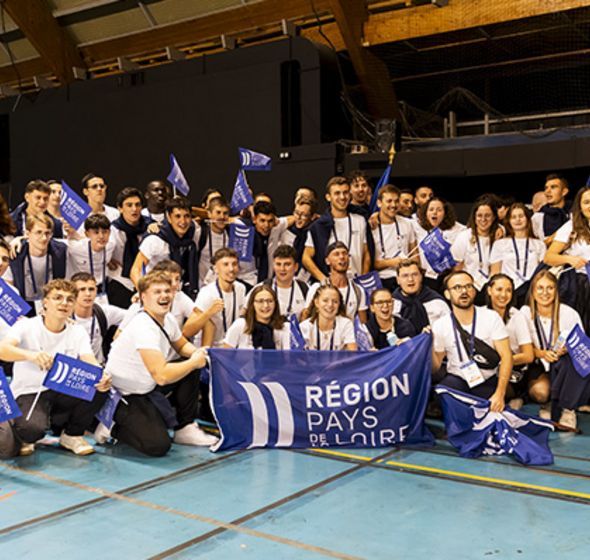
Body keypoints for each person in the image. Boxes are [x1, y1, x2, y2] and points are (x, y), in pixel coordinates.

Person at [104, 271, 217, 456]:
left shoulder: (167, 319)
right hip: (125, 395)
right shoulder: (144, 327)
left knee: (190, 365)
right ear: (143, 297)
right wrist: (194, 362)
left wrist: (198, 353)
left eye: (167, 291)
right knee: (157, 446)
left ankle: (185, 427)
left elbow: (181, 346)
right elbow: (162, 376)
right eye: (157, 292)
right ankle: (110, 426)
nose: (164, 296)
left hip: (148, 386)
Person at [0, 279, 110, 457]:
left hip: (61, 390)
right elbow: (3, 350)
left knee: (100, 386)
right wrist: (31, 355)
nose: (64, 303)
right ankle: (29, 432)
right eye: (57, 298)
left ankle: (72, 435)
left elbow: (88, 358)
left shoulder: (77, 331)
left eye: (69, 299)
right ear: (45, 302)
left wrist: (101, 375)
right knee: (31, 431)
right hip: (30, 391)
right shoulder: (26, 326)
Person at [431, 271, 512, 410]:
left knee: (488, 409)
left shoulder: (491, 317)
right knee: (442, 394)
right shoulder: (440, 325)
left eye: (468, 286)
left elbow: (507, 356)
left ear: (474, 291)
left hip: (486, 380)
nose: (464, 291)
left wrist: (500, 394)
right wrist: (429, 346)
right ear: (447, 294)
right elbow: (435, 367)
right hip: (457, 379)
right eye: (457, 287)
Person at [519, 270, 590, 430]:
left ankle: (567, 409)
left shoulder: (569, 313)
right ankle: (550, 403)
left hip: (563, 363)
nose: (545, 293)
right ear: (533, 291)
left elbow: (582, 347)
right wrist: (542, 353)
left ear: (556, 290)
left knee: (569, 361)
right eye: (540, 288)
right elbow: (522, 347)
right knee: (540, 392)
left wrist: (567, 349)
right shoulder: (525, 313)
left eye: (550, 288)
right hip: (538, 363)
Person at [303, 176, 370, 282]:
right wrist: (323, 279)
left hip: (356, 283)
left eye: (345, 192)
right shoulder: (318, 226)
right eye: (337, 193)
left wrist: (364, 280)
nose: (342, 197)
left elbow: (366, 253)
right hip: (331, 285)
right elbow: (306, 257)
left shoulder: (360, 220)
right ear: (328, 197)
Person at [131, 196, 200, 298]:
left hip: (180, 292)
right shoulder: (155, 239)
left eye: (187, 216)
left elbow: (213, 216)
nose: (183, 221)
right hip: (155, 293)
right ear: (169, 217)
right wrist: (144, 294)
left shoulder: (193, 233)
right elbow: (135, 270)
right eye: (177, 216)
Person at [544, 185, 590, 332]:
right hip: (581, 288)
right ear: (580, 207)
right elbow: (548, 257)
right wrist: (570, 259)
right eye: (586, 202)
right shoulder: (571, 227)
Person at [485, 274, 535, 409]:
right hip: (486, 367)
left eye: (508, 290)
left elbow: (528, 355)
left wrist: (504, 362)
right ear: (489, 290)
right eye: (499, 289)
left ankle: (516, 396)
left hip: (513, 370)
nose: (504, 295)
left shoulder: (517, 316)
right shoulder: (481, 313)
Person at [5, 214, 67, 315]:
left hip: (52, 304)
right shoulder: (15, 253)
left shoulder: (60, 251)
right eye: (38, 232)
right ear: (27, 234)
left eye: (47, 233)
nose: (44, 238)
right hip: (23, 305)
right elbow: (8, 286)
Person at [489, 202, 546, 306]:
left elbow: (542, 273)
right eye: (513, 217)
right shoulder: (500, 244)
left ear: (527, 219)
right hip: (507, 292)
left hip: (532, 291)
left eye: (521, 216)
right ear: (509, 221)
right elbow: (495, 273)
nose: (518, 220)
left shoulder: (539, 244)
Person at [188, 248, 247, 347]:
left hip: (230, 347)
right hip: (208, 349)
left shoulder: (241, 288)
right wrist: (209, 312)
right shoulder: (207, 293)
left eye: (234, 264)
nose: (231, 269)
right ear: (215, 269)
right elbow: (188, 331)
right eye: (225, 264)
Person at [451, 196, 502, 297]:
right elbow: (457, 269)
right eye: (479, 215)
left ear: (494, 217)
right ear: (474, 217)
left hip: (492, 289)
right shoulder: (464, 237)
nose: (483, 219)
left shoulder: (499, 237)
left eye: (487, 215)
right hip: (468, 287)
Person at [304, 242, 368, 322]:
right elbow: (306, 317)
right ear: (327, 261)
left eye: (345, 253)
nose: (342, 257)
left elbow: (362, 324)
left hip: (347, 329)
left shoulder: (358, 290)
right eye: (336, 254)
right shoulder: (317, 288)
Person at [109, 187, 152, 308]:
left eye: (138, 205)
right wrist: (106, 258)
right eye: (129, 205)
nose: (134, 209)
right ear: (120, 208)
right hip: (120, 281)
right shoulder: (112, 230)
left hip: (147, 281)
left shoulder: (150, 226)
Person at [71, 272, 126, 365]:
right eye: (82, 289)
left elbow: (135, 315)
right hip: (71, 366)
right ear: (72, 293)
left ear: (96, 291)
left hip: (98, 366)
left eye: (91, 289)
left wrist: (121, 329)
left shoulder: (104, 311)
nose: (88, 294)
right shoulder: (63, 315)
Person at [414, 196, 465, 292]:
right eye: (431, 209)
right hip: (424, 277)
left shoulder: (458, 230)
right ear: (426, 213)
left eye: (439, 210)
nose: (434, 212)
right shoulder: (417, 227)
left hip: (445, 277)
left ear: (445, 213)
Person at [372, 184, 417, 291]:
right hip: (380, 280)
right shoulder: (371, 226)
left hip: (405, 278)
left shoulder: (407, 223)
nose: (393, 205)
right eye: (389, 201)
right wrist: (392, 262)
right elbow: (368, 262)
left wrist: (410, 263)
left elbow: (415, 254)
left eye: (396, 201)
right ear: (379, 203)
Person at [236, 200, 289, 288]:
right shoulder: (243, 228)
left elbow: (293, 218)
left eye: (270, 221)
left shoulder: (276, 228)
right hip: (244, 283)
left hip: (267, 284)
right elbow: (222, 220)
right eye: (262, 220)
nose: (266, 225)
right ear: (254, 219)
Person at [248, 245, 309, 319]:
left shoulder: (305, 289)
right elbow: (245, 313)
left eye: (287, 264)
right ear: (273, 266)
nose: (282, 269)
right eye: (278, 264)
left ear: (296, 267)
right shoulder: (260, 288)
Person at [66, 214, 115, 305]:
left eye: (105, 232)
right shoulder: (75, 248)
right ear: (87, 234)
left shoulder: (111, 245)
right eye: (96, 232)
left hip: (102, 288)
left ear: (109, 232)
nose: (101, 236)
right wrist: (71, 233)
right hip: (79, 290)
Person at [223, 285, 291, 349]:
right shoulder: (240, 324)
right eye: (260, 301)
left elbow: (289, 356)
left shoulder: (285, 327)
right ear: (252, 304)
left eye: (270, 301)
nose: (266, 305)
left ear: (275, 304)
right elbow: (224, 355)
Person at [393, 260, 450, 331]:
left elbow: (449, 330)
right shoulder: (390, 304)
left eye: (414, 274)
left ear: (421, 277)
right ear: (398, 280)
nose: (410, 279)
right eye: (405, 276)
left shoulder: (438, 303)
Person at [299, 285, 357, 351]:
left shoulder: (346, 324)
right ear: (317, 303)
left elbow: (353, 352)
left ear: (339, 304)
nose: (330, 305)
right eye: (325, 300)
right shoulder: (304, 327)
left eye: (335, 301)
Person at [197, 196, 230, 287]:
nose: (222, 217)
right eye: (218, 212)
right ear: (209, 213)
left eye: (225, 213)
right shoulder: (199, 234)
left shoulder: (231, 235)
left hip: (224, 286)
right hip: (203, 287)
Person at [532, 174, 570, 244]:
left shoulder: (575, 213)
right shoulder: (537, 217)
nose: (547, 191)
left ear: (564, 192)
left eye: (553, 187)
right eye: (546, 188)